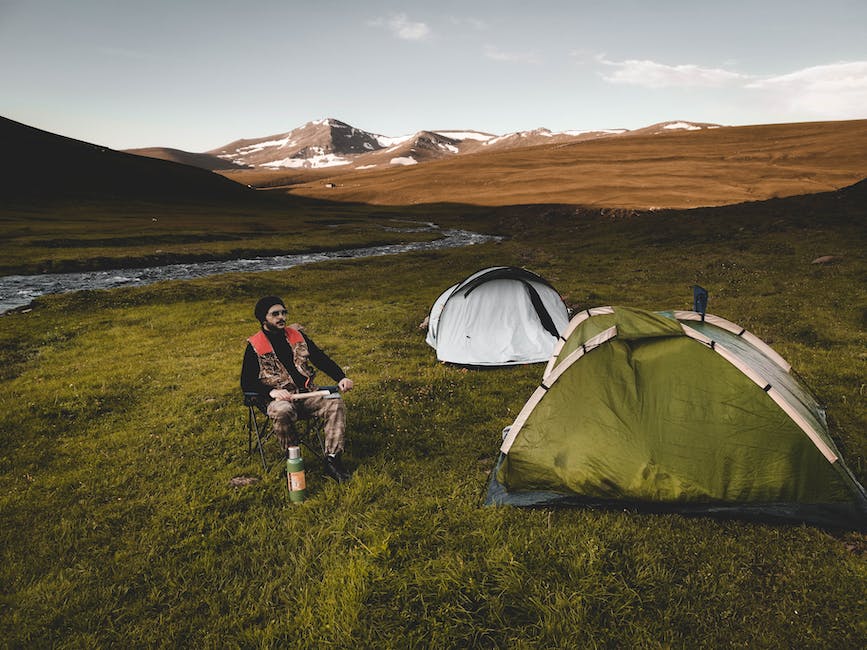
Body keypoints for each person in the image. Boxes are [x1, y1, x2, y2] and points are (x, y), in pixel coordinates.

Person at [241, 295, 354, 482]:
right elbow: (247, 383)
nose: (281, 317)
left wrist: (341, 377)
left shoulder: (297, 336)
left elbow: (320, 358)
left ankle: (333, 460)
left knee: (335, 402)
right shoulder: (254, 346)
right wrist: (272, 392)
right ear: (263, 319)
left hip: (307, 394)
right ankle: (294, 457)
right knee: (282, 411)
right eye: (275, 314)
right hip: (277, 400)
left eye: (283, 312)